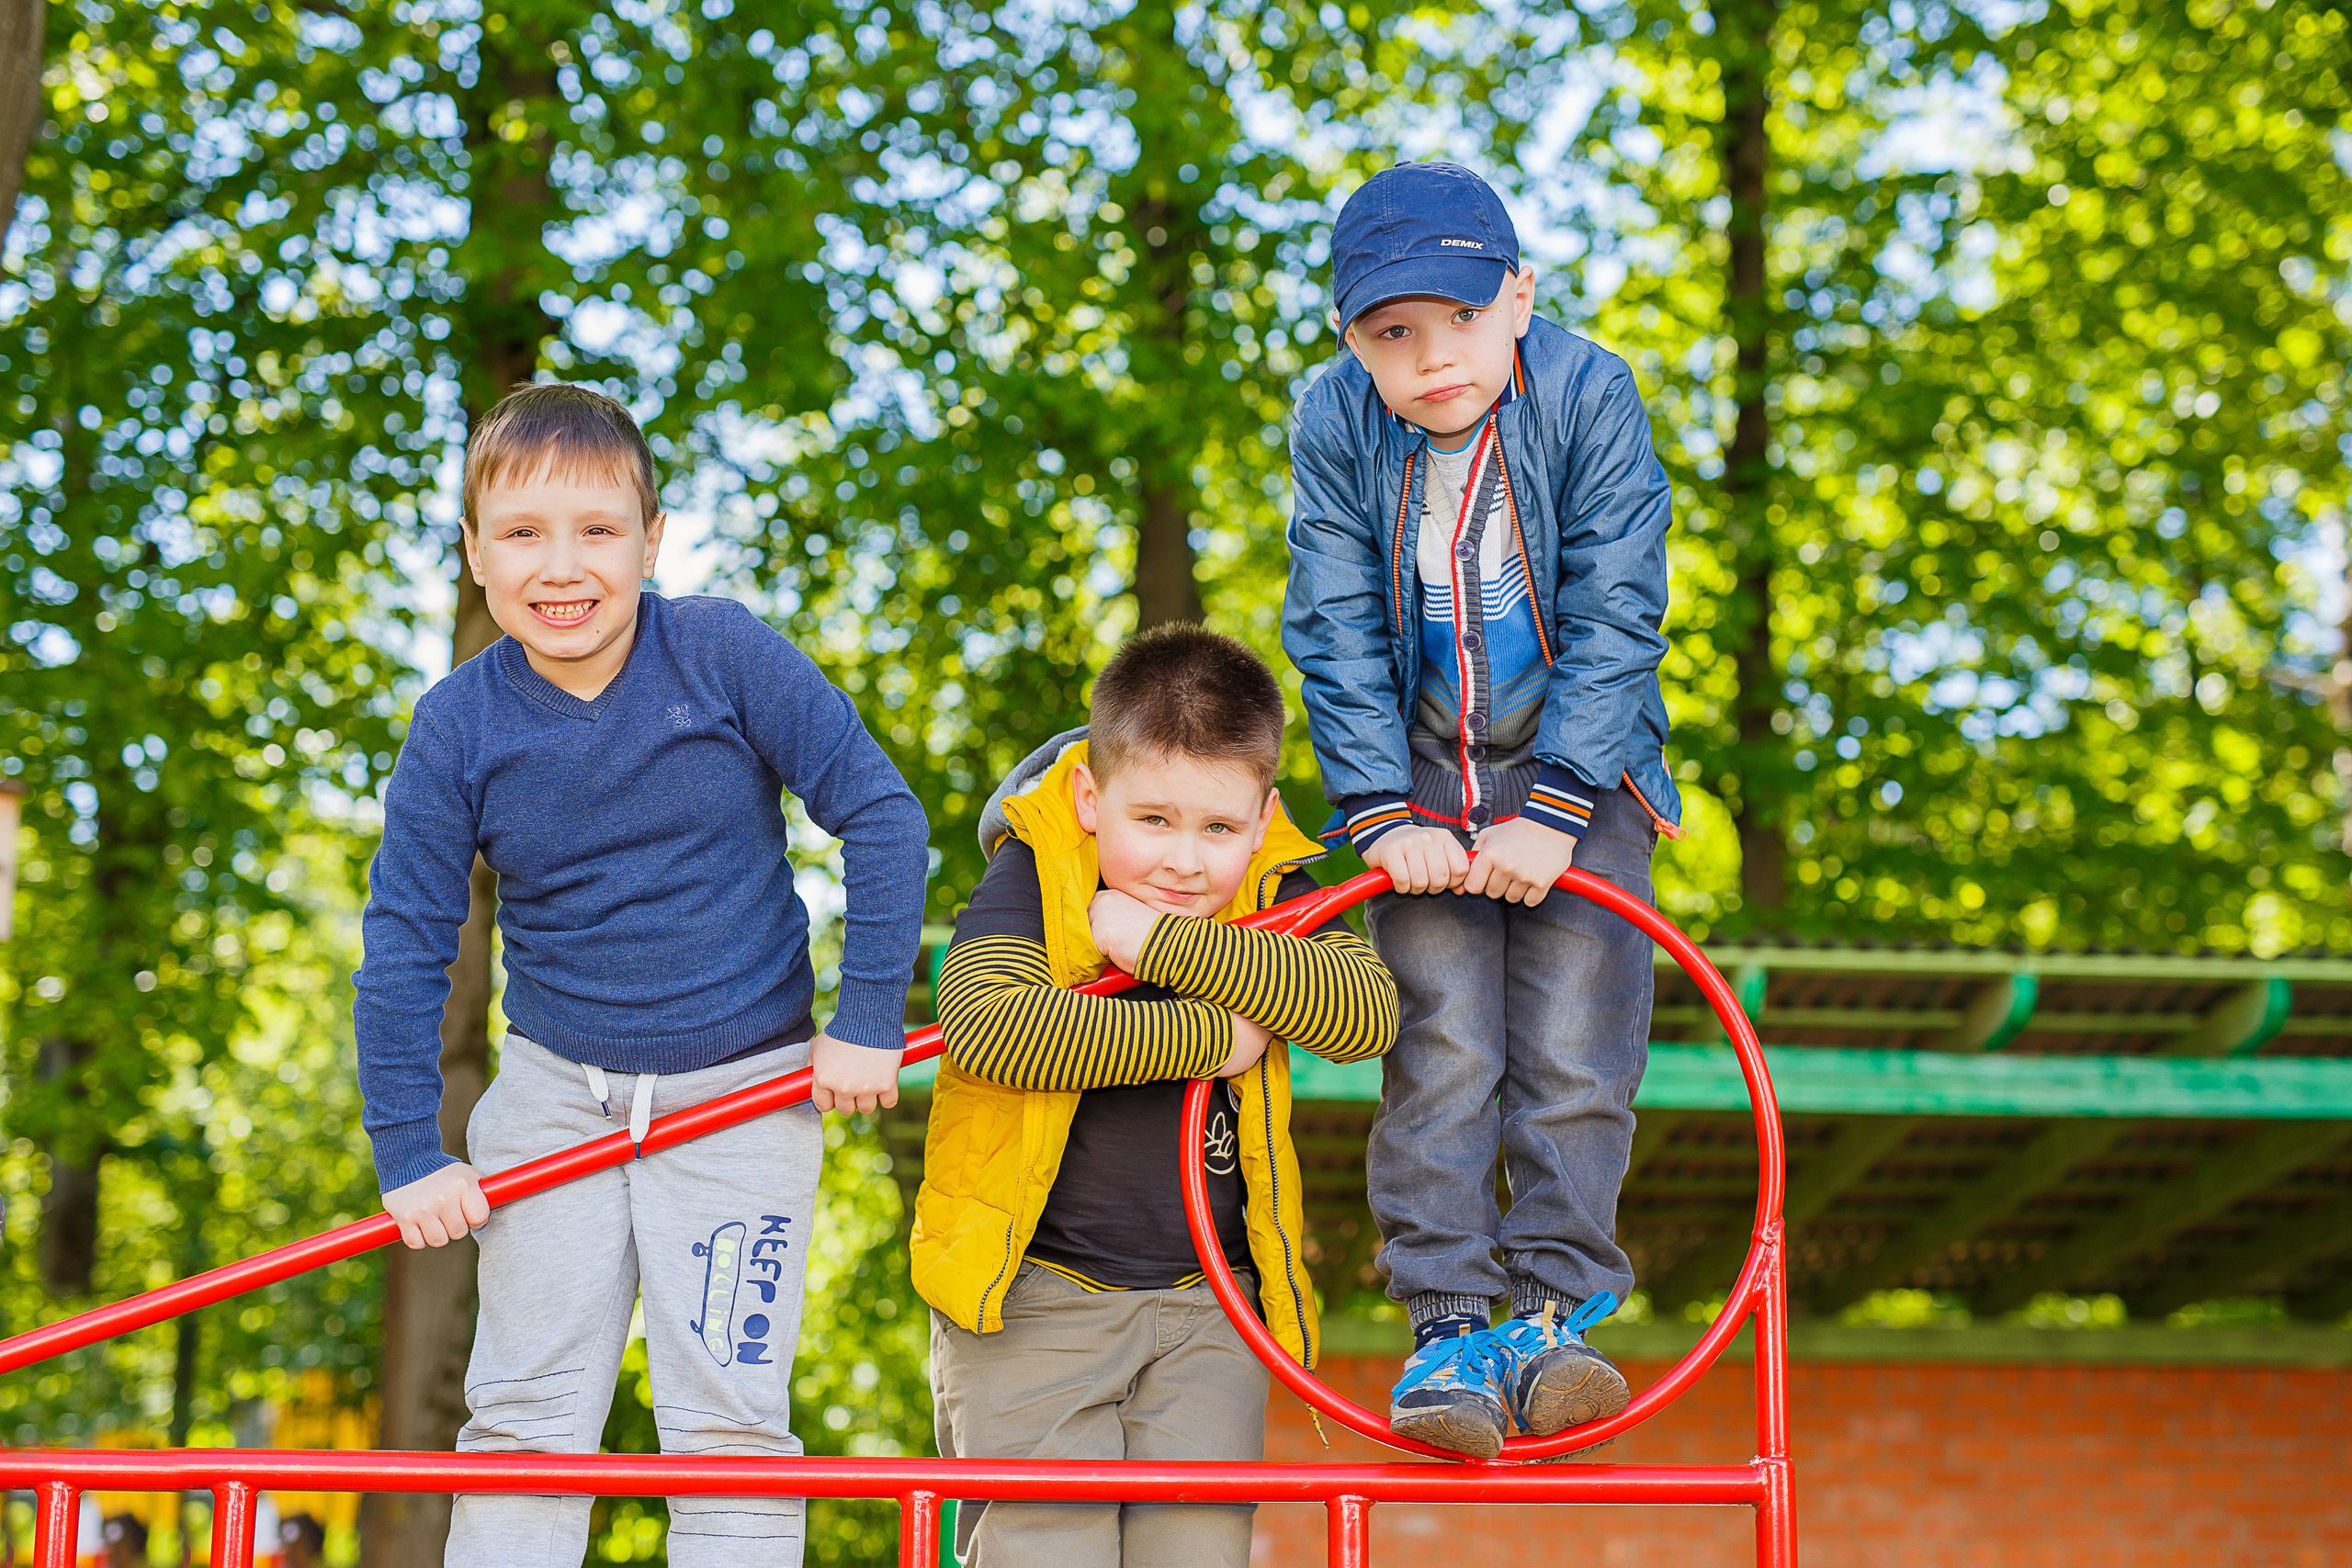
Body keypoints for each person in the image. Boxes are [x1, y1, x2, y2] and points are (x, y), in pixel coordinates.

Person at [352, 382, 929, 1566]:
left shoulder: (716, 652)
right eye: (520, 533)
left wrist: (864, 1014)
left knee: (726, 1426)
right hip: (558, 1091)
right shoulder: (457, 725)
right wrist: (409, 1149)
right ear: (472, 554)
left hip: (745, 1093)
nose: (560, 567)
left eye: (596, 530)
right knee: (522, 1419)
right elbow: (406, 940)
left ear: (651, 541)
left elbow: (880, 813)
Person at [1283, 161, 1680, 1459]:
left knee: (1575, 1042)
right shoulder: (1337, 419)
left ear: (1519, 297)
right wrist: (1378, 806)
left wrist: (1559, 801)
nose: (1431, 356)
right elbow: (1334, 618)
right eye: (1392, 333)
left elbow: (1621, 602)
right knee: (1441, 1043)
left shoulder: (1585, 390)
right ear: (1352, 341)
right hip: (1418, 777)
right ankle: (1451, 1320)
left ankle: (1552, 1313)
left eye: (1459, 317)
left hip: (1584, 763)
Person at [914, 625, 1398, 1567]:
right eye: (1154, 822)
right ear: (1092, 799)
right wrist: (1216, 1037)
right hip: (1036, 1304)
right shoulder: (1040, 863)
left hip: (1207, 1312)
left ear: (1262, 821)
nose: (1184, 860)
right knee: (1045, 1550)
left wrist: (1156, 942)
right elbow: (992, 1026)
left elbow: (1366, 1012)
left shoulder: (1270, 883)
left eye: (1218, 829)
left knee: (1195, 1551)